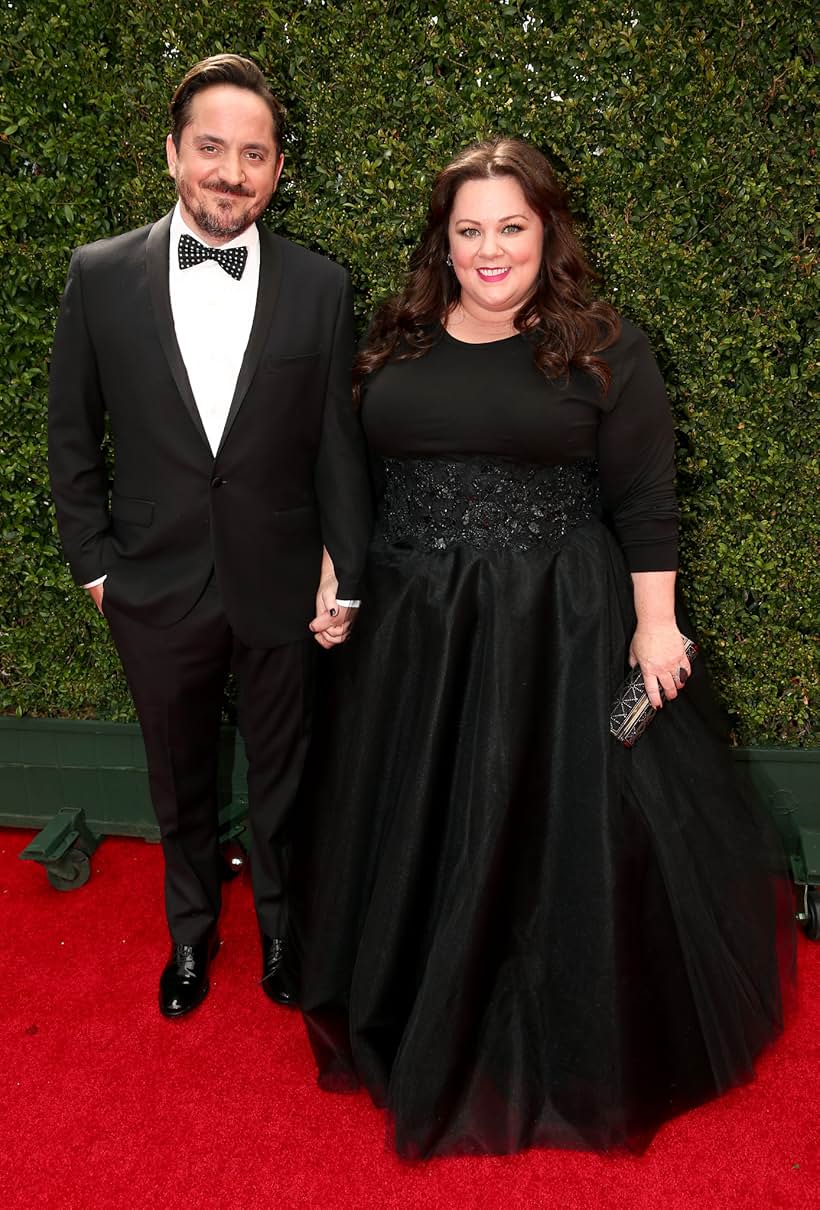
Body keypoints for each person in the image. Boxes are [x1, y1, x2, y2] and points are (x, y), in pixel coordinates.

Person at [292, 138, 795, 1157]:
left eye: (510, 227)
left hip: (557, 626)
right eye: (468, 229)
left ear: (545, 232)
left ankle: (553, 1028)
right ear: (441, 238)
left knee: (551, 829)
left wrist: (656, 623)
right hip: (414, 632)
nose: (489, 250)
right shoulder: (390, 342)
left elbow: (645, 498)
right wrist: (332, 571)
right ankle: (422, 1002)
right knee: (425, 821)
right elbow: (347, 478)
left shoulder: (606, 344)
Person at [48, 54, 372, 1019]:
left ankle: (279, 926)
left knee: (283, 771)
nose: (232, 172)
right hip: (150, 583)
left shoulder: (321, 286)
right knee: (178, 776)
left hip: (279, 578)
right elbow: (71, 432)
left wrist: (346, 573)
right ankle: (191, 934)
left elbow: (337, 447)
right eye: (211, 148)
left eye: (255, 153)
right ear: (173, 154)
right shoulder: (99, 275)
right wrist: (94, 566)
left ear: (278, 169)